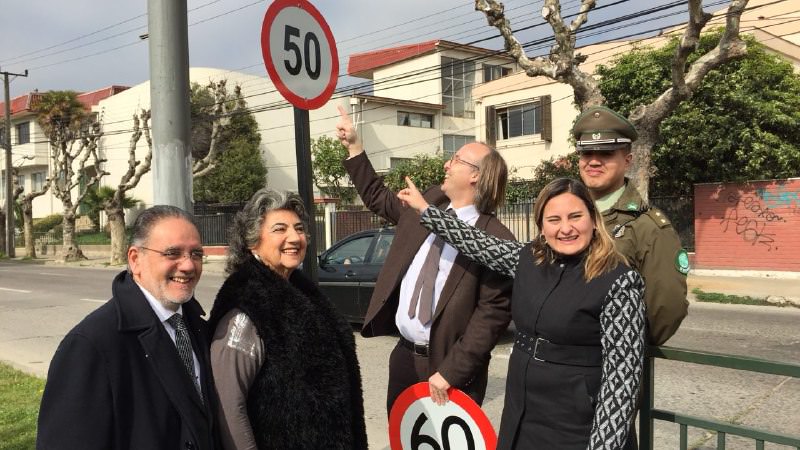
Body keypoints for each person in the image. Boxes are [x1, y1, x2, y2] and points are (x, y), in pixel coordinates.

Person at [398, 177, 646, 450]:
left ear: (593, 220)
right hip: (522, 415)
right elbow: (476, 242)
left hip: (577, 425)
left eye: (576, 216)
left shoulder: (619, 281)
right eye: (554, 219)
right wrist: (426, 210)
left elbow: (622, 381)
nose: (566, 228)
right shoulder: (527, 259)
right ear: (541, 225)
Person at [335, 106, 514, 411]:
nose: (447, 164)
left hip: (449, 371)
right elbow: (380, 198)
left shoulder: (496, 238)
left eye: (455, 159)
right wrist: (354, 146)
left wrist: (451, 372)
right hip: (404, 357)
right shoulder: (426, 205)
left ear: (476, 175)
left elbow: (491, 318)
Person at [37, 206, 218, 450]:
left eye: (196, 254)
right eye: (173, 253)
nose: (188, 265)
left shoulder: (198, 326)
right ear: (135, 259)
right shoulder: (92, 344)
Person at [207, 188, 367, 450]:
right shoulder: (245, 311)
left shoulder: (304, 293)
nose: (295, 238)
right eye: (280, 229)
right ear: (252, 240)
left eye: (299, 229)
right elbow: (228, 405)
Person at [575, 105, 689, 347]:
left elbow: (666, 308)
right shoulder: (567, 215)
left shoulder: (647, 226)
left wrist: (624, 345)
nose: (593, 161)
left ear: (627, 161)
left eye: (605, 154)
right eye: (587, 154)